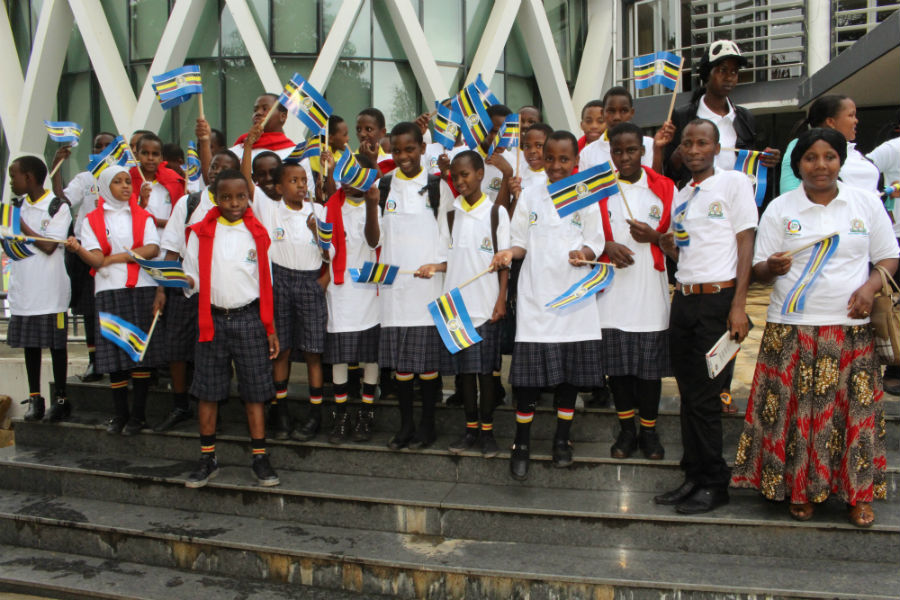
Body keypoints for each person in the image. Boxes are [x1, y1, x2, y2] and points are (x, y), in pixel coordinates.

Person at [731, 127, 898, 528]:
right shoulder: (780, 209)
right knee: (795, 418)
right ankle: (799, 490)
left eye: (829, 157)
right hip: (792, 330)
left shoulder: (865, 203)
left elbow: (889, 257)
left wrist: (869, 287)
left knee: (852, 416)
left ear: (840, 161)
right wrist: (769, 268)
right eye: (811, 158)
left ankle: (857, 496)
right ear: (798, 164)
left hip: (850, 331)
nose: (820, 165)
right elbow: (756, 271)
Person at [491, 130, 606, 480]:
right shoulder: (530, 196)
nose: (556, 165)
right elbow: (520, 242)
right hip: (537, 299)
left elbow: (595, 241)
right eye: (550, 157)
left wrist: (584, 253)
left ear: (576, 161)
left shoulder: (585, 196)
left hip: (574, 301)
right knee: (526, 382)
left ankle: (561, 440)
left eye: (564, 159)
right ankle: (521, 443)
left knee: (570, 378)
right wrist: (509, 252)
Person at [656, 118, 757, 514]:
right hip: (684, 300)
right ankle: (693, 476)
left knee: (708, 397)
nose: (694, 150)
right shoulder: (682, 196)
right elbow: (689, 255)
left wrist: (738, 306)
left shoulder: (733, 184)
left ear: (716, 148)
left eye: (702, 143)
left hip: (720, 301)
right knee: (688, 394)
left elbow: (745, 243)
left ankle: (715, 483)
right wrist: (668, 247)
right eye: (687, 144)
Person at [181, 169, 280, 488]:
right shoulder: (201, 232)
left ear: (248, 197)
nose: (234, 202)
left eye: (240, 196)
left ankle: (260, 457)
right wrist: (182, 281)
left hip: (250, 318)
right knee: (208, 391)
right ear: (215, 197)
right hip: (212, 319)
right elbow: (191, 277)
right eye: (226, 197)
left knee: (255, 390)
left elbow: (266, 283)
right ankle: (207, 458)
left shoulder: (258, 233)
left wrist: (270, 328)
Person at [372, 122, 454, 449]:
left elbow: (449, 237)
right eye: (397, 150)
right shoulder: (384, 186)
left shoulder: (438, 187)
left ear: (422, 148)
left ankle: (428, 426)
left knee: (428, 366)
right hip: (396, 291)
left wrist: (439, 266)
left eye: (410, 149)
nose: (403, 156)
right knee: (402, 367)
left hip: (428, 287)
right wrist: (368, 203)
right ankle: (405, 426)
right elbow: (375, 238)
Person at [65, 165, 163, 435]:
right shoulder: (92, 220)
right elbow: (95, 259)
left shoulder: (143, 216)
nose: (125, 186)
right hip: (108, 289)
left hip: (141, 286)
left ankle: (139, 416)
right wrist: (79, 249)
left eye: (127, 181)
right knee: (116, 356)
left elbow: (152, 249)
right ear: (106, 187)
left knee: (139, 354)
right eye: (118, 182)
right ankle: (121, 414)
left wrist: (116, 257)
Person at [597, 123, 675, 460]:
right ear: (610, 152)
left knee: (648, 372)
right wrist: (606, 245)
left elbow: (680, 241)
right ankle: (626, 431)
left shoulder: (665, 188)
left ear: (643, 150)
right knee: (618, 371)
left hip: (649, 293)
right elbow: (581, 231)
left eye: (631, 150)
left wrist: (655, 238)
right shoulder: (599, 188)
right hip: (612, 296)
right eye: (618, 151)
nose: (624, 157)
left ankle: (649, 431)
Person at [151, 149, 242, 433]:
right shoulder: (188, 203)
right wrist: (163, 289)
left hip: (218, 293)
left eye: (224, 167)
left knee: (217, 352)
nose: (215, 170)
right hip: (186, 288)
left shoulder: (240, 207)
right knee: (177, 348)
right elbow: (170, 248)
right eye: (213, 165)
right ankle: (180, 405)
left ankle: (218, 406)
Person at [429, 151, 510, 457]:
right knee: (464, 374)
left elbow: (503, 263)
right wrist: (432, 268)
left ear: (480, 174)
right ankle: (470, 429)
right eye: (455, 176)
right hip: (455, 309)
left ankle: (487, 433)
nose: (460, 181)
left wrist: (501, 299)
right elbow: (446, 261)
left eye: (465, 175)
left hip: (486, 306)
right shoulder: (449, 214)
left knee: (486, 374)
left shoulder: (495, 213)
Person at [5, 156, 72, 421]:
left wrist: (20, 222)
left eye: (14, 176)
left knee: (57, 346)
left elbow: (49, 245)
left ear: (29, 177)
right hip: (24, 288)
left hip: (50, 290)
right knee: (30, 346)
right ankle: (35, 397)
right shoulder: (13, 207)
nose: (11, 182)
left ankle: (62, 398)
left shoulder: (57, 206)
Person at [322, 153, 382, 443]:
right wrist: (319, 241)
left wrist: (371, 205)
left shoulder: (377, 206)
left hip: (370, 289)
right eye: (346, 176)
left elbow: (373, 240)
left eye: (357, 176)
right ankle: (341, 415)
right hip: (341, 288)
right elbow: (327, 251)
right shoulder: (330, 207)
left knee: (371, 355)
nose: (349, 183)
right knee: (340, 354)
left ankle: (366, 414)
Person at [665, 40, 780, 186]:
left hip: (734, 201)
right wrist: (677, 157)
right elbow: (668, 172)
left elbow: (751, 167)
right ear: (707, 74)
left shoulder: (745, 118)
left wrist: (767, 159)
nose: (729, 77)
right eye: (722, 70)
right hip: (696, 199)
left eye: (734, 72)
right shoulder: (683, 116)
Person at [50, 132, 116, 382]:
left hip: (112, 251)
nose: (101, 149)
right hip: (84, 250)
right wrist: (57, 167)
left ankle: (119, 359)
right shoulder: (85, 177)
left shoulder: (122, 174)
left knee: (113, 306)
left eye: (106, 145)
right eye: (97, 145)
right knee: (89, 309)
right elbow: (63, 200)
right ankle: (94, 360)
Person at [780, 95, 880, 195]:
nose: (856, 120)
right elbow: (789, 191)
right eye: (851, 115)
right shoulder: (801, 146)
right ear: (831, 122)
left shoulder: (854, 152)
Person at [866, 112, 900, 395]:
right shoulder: (893, 148)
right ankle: (893, 365)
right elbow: (862, 174)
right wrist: (886, 195)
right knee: (892, 305)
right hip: (896, 237)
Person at [580, 87, 672, 174]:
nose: (617, 117)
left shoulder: (649, 144)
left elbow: (657, 183)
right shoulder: (587, 153)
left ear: (632, 113)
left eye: (623, 111)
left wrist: (657, 150)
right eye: (611, 111)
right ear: (602, 113)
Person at [131, 133, 186, 240]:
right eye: (145, 153)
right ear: (137, 155)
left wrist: (153, 220)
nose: (150, 158)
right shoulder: (128, 181)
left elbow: (181, 219)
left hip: (167, 248)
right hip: (139, 248)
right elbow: (125, 219)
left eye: (155, 154)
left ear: (161, 157)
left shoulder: (173, 181)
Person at [228, 94, 296, 161]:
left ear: (283, 117)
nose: (258, 113)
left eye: (264, 109)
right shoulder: (237, 150)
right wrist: (248, 145)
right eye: (255, 110)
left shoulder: (294, 154)